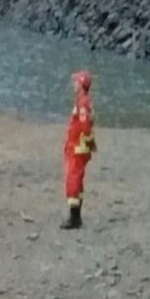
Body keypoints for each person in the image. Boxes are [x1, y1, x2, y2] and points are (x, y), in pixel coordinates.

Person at [61, 70, 97, 229]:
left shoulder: (82, 103)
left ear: (81, 85)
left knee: (73, 180)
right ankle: (76, 215)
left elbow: (84, 126)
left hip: (77, 148)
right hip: (78, 146)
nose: (74, 84)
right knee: (77, 180)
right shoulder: (84, 101)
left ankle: (74, 217)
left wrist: (88, 142)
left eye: (76, 82)